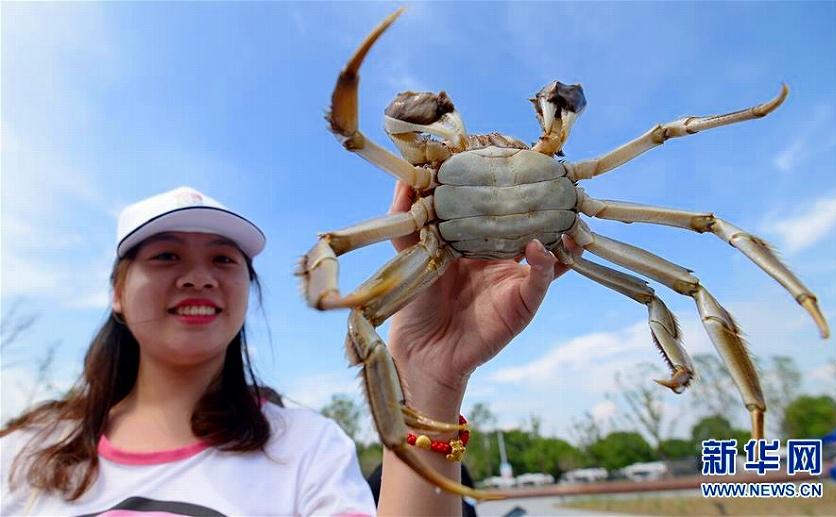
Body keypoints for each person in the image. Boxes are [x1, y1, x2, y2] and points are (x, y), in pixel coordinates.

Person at [2, 184, 575, 516]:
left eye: (224, 260)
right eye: (165, 256)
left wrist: (431, 375)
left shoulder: (305, 447)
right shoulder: (23, 453)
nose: (199, 276)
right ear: (116, 293)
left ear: (247, 292)